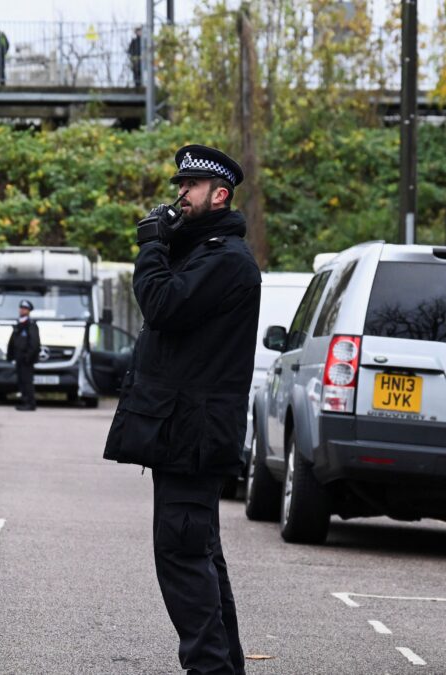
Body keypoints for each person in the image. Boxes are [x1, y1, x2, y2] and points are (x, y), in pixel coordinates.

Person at [103, 144, 260, 675]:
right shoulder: (203, 252)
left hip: (193, 437)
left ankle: (210, 669)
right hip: (185, 435)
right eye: (180, 185)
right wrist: (166, 243)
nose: (179, 194)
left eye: (191, 186)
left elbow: (163, 305)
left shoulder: (226, 260)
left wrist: (150, 246)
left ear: (220, 195)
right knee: (200, 555)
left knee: (183, 557)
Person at [6, 299, 40, 411]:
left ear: (29, 311)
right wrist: (10, 355)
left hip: (26, 360)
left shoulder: (30, 325)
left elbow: (34, 343)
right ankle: (24, 401)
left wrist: (28, 357)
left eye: (25, 308)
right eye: (21, 308)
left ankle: (30, 403)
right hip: (19, 358)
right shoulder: (19, 324)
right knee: (21, 381)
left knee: (27, 382)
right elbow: (13, 341)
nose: (22, 310)